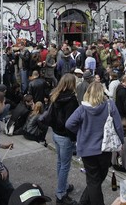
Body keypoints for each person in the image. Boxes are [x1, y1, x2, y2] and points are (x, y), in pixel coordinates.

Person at [66, 82, 123, 205]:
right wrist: (121, 142)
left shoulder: (82, 108)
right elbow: (118, 126)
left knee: (94, 180)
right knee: (98, 179)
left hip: (87, 149)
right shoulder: (109, 105)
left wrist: (80, 132)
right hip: (104, 148)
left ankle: (84, 201)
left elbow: (69, 124)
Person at [47, 73, 79, 205]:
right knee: (65, 165)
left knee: (60, 162)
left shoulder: (55, 95)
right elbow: (71, 122)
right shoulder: (71, 100)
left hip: (56, 133)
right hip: (65, 136)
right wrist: (74, 137)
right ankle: (61, 194)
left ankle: (63, 186)